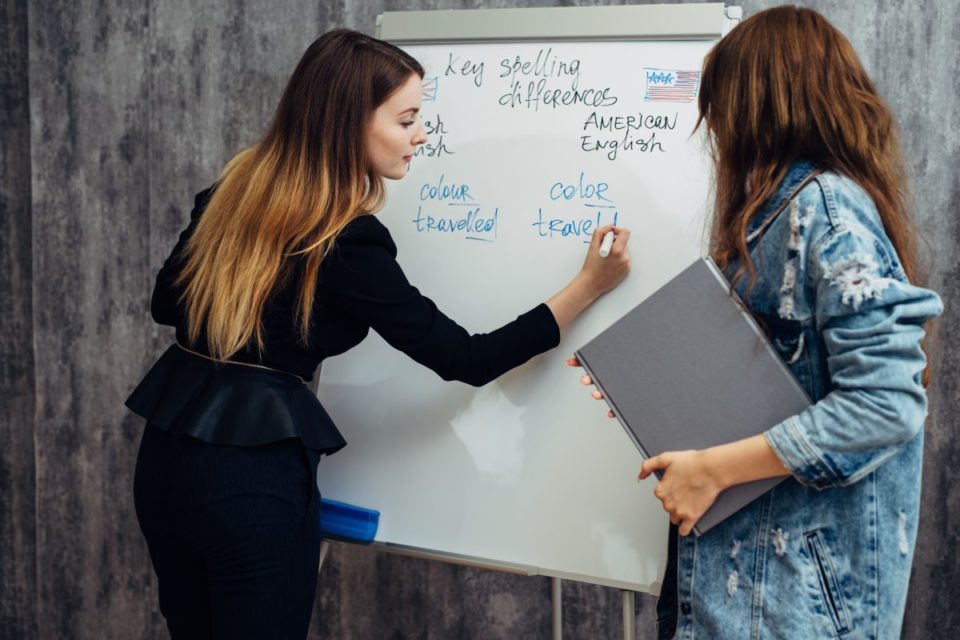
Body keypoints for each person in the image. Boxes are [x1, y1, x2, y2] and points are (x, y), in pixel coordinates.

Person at [126, 29, 631, 640]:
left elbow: (165, 304)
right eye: (408, 119)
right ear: (348, 122)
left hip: (166, 461)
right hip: (250, 486)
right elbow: (465, 357)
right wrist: (588, 285)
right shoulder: (345, 240)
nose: (422, 135)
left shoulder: (230, 194)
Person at [569, 6, 941, 639]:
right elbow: (780, 384)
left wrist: (711, 469)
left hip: (794, 601)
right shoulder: (775, 217)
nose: (715, 133)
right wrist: (665, 401)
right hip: (749, 588)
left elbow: (885, 404)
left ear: (754, 107)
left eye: (720, 110)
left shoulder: (827, 213)